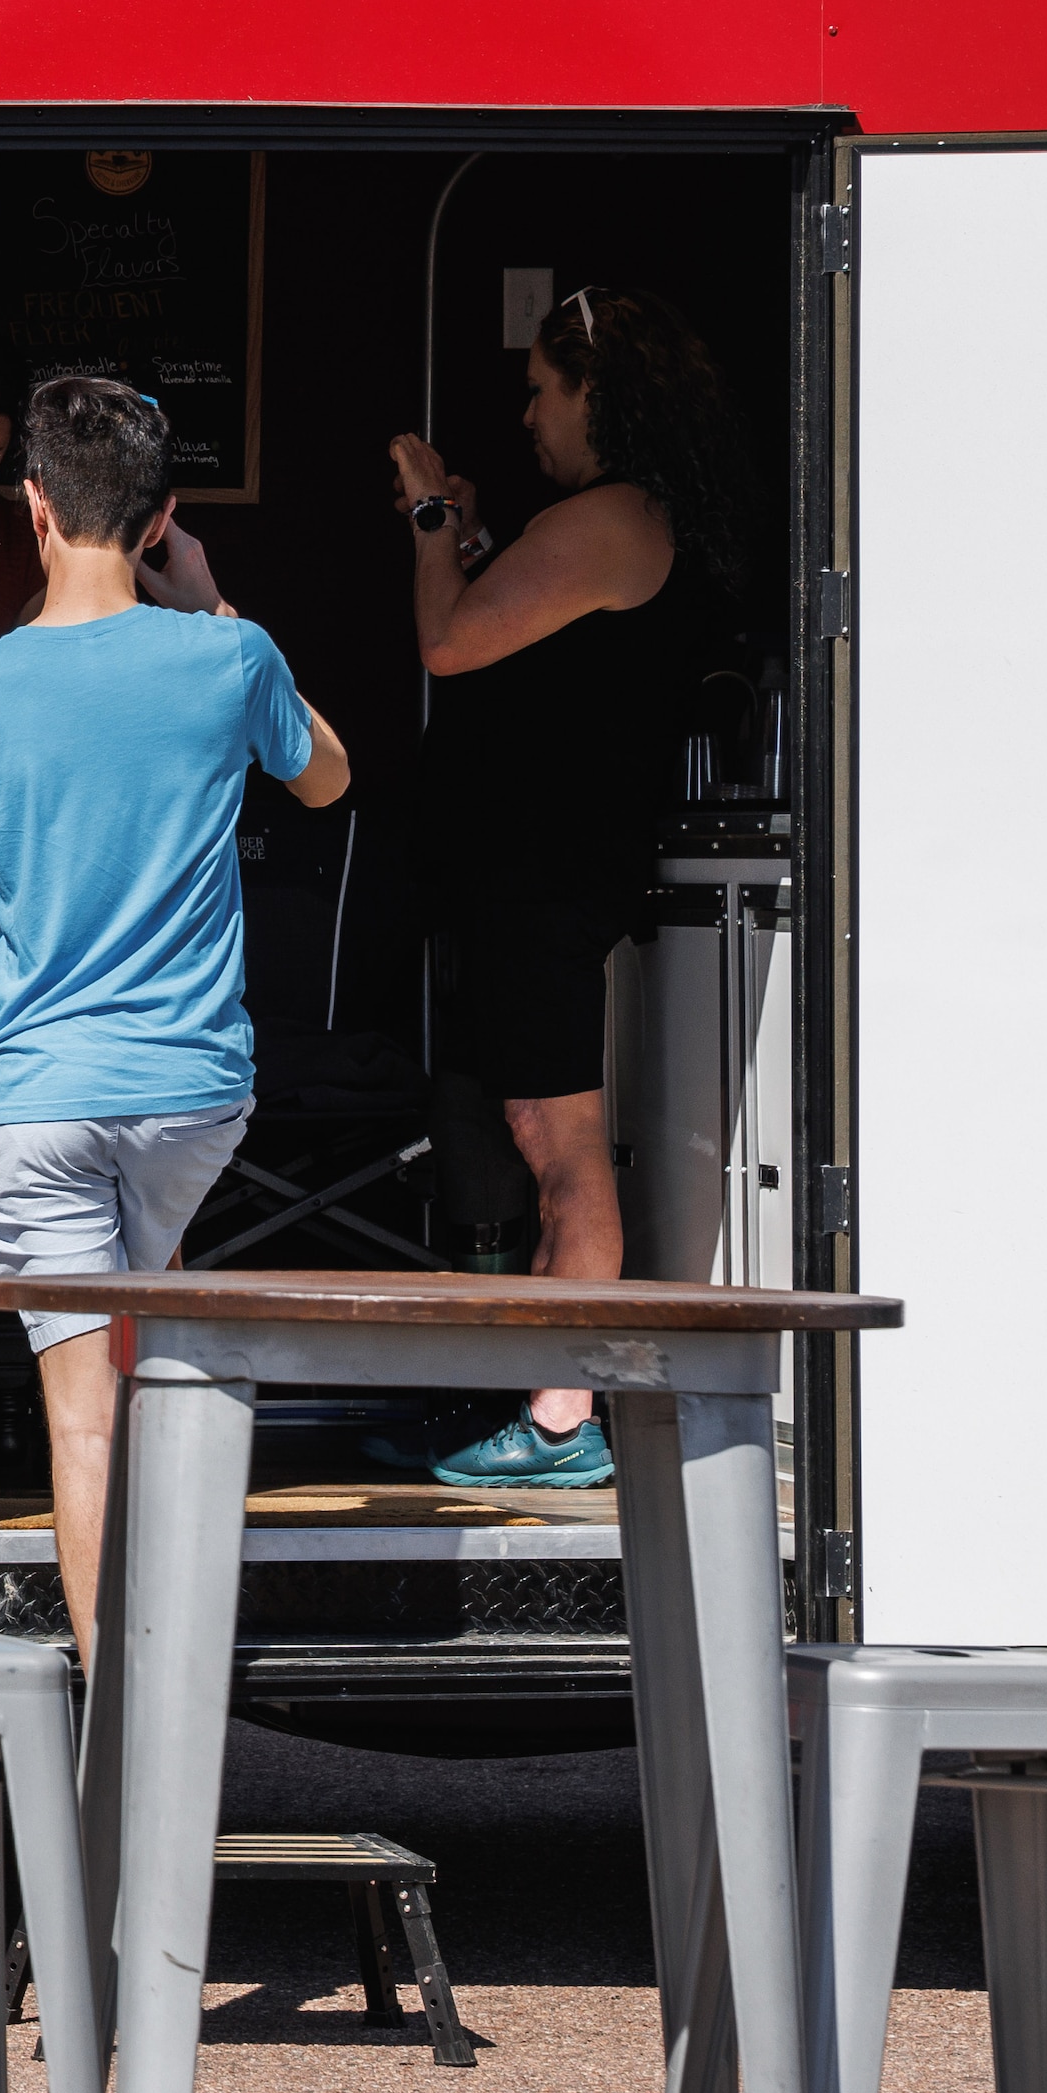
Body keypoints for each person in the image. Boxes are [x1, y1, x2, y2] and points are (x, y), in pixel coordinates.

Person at [0, 375, 350, 1659]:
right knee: (133, 1381)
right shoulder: (226, 653)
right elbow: (326, 775)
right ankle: (158, 1678)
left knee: (82, 1416)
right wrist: (207, 597)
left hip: (36, 1103)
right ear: (160, 519)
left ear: (31, 506)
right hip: (189, 1098)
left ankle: (119, 1733)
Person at [385, 284, 737, 1486]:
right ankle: (539, 1399)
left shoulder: (607, 518)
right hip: (524, 874)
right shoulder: (606, 523)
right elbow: (507, 630)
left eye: (542, 390)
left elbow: (448, 642)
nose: (529, 414)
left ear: (598, 391)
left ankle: (558, 1419)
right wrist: (469, 542)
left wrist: (430, 515)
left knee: (564, 1146)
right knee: (531, 1136)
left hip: (546, 877)